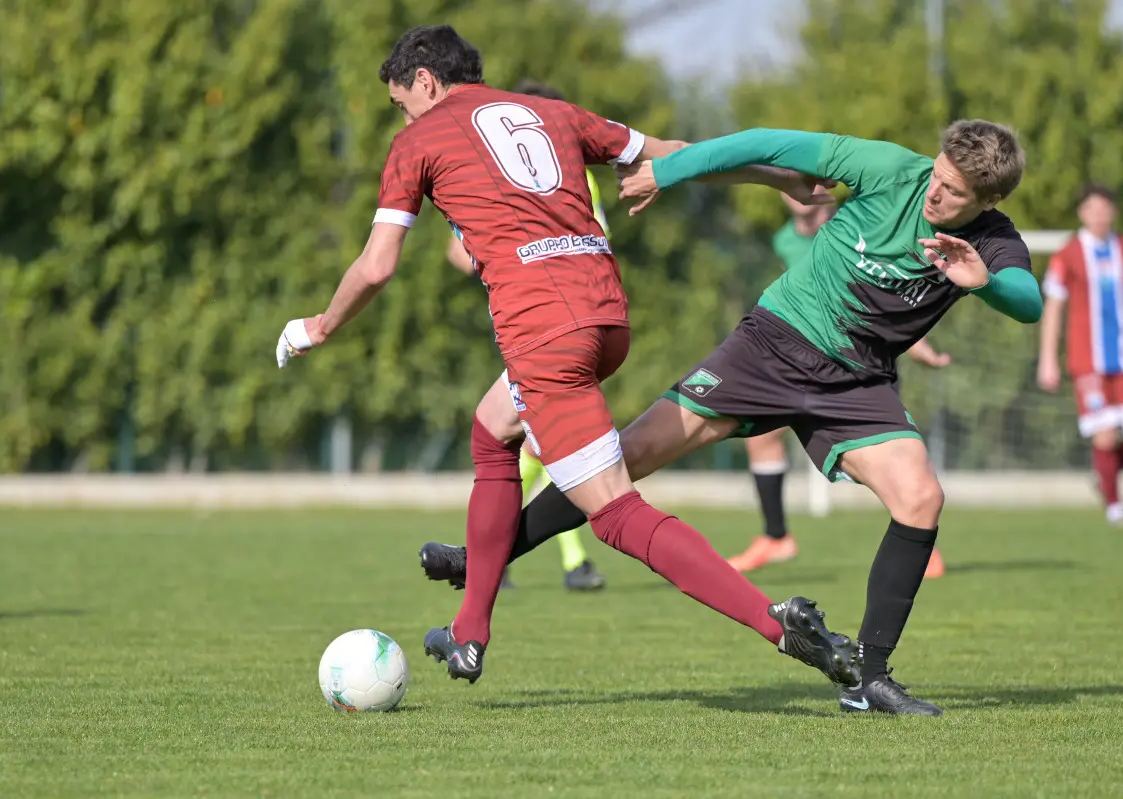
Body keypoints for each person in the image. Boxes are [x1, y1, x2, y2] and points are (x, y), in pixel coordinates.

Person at [276, 25, 860, 693]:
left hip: (543, 333)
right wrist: (776, 175)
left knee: (613, 511)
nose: (399, 114)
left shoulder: (418, 141)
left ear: (427, 82)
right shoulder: (553, 113)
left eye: (399, 100)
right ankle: (469, 633)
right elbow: (672, 154)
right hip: (605, 317)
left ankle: (779, 623)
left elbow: (377, 267)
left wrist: (320, 325)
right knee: (492, 428)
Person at [420, 120, 1042, 715]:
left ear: (986, 199)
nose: (934, 191)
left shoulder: (991, 241)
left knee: (921, 498)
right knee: (624, 460)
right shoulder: (888, 168)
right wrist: (666, 172)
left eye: (954, 191)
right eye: (937, 175)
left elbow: (1028, 302)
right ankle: (484, 562)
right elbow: (766, 142)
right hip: (773, 345)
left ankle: (870, 680)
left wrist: (983, 279)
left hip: (857, 381)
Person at [441, 80, 612, 593]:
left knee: (543, 447)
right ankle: (526, 555)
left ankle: (505, 552)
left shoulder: (512, 172)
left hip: (553, 318)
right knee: (549, 447)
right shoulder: (527, 175)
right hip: (547, 319)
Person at [729, 190, 952, 579]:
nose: (792, 192)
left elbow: (886, 292)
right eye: (785, 185)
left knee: (888, 462)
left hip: (857, 366)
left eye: (801, 182)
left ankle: (920, 538)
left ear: (823, 190)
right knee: (759, 434)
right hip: (801, 360)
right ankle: (776, 536)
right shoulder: (785, 238)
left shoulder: (854, 228)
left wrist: (919, 347)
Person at [1036, 184, 1123, 526]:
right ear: (1082, 213)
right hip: (1087, 361)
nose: (1099, 215)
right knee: (1106, 434)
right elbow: (1053, 306)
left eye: (1105, 208)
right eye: (1092, 209)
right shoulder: (1068, 253)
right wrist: (1048, 357)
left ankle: (1103, 478)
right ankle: (1115, 505)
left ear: (1114, 212)